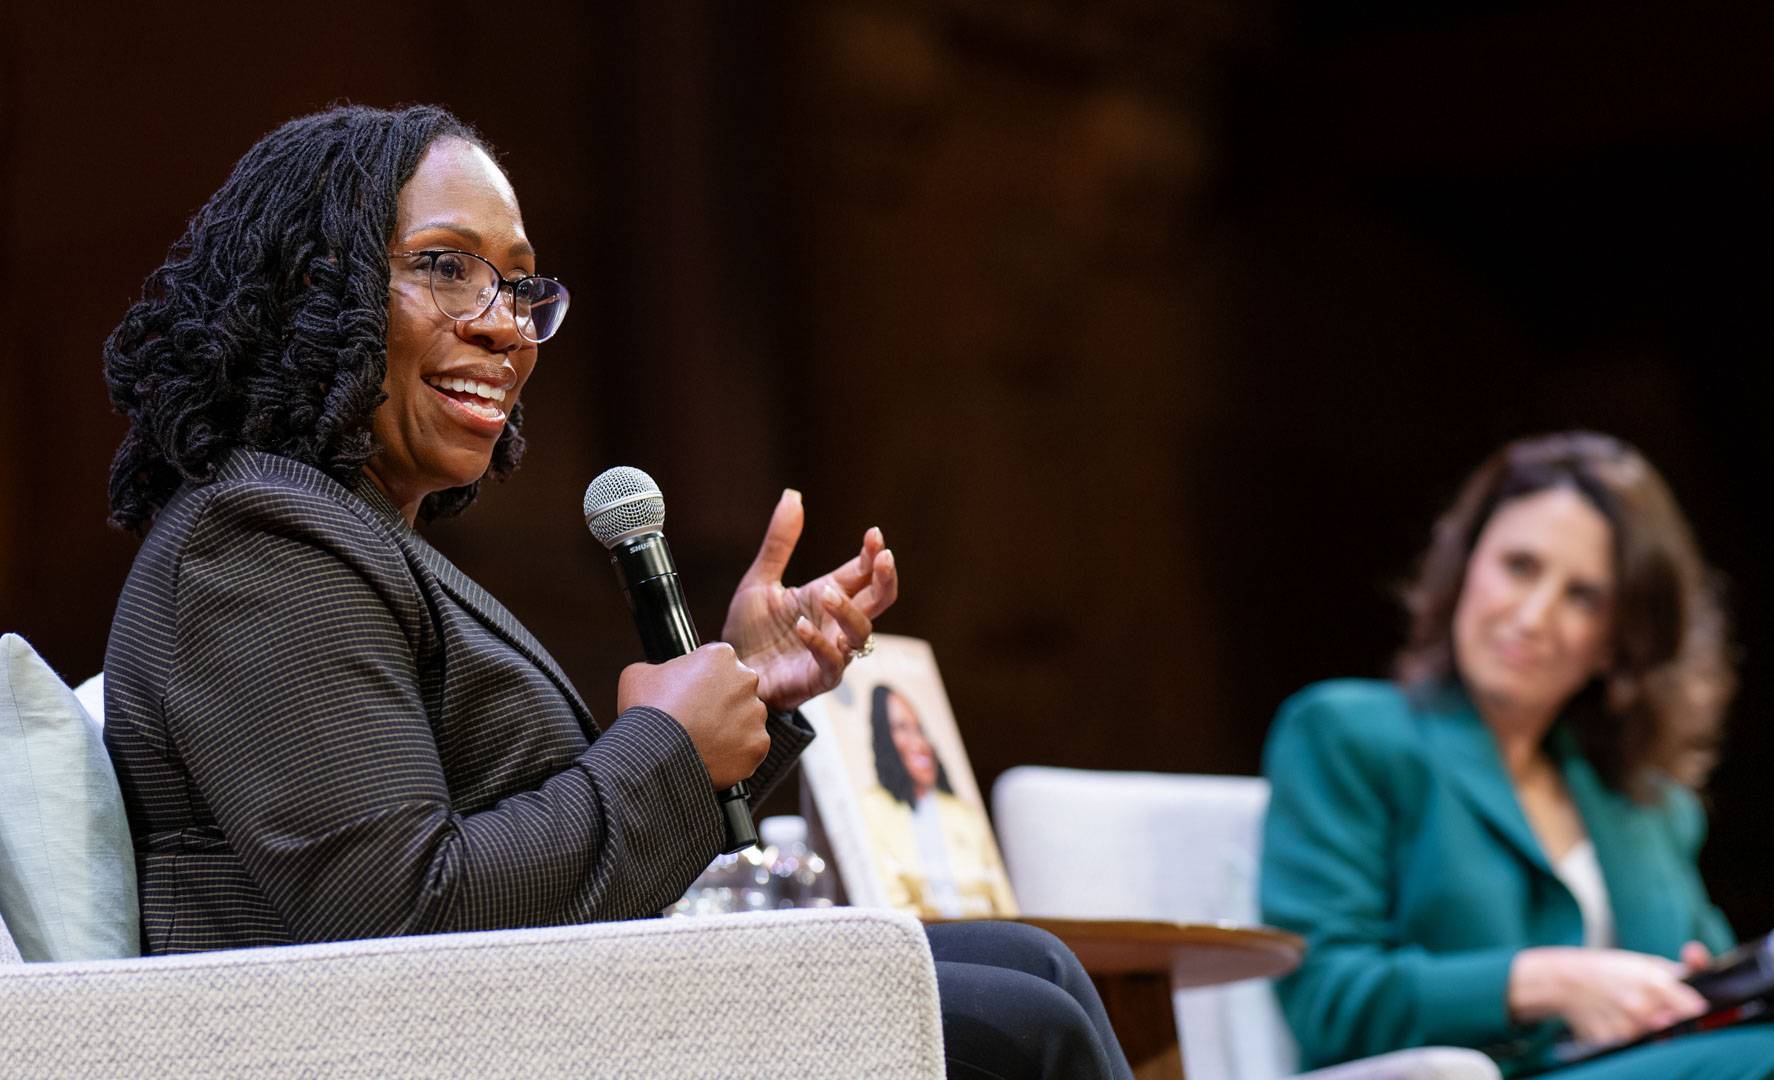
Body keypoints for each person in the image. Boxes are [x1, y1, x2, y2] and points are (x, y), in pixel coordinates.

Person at [101, 104, 1130, 1080]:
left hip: (515, 1018)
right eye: (447, 269)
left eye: (518, 288)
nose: (505, 329)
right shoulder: (257, 543)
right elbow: (398, 916)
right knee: (1022, 1029)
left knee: (1030, 966)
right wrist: (671, 751)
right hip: (401, 1050)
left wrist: (744, 696)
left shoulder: (342, 534)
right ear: (312, 284)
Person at [1260, 432, 1774, 1078]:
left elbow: (1711, 988)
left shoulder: (1645, 803)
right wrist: (1547, 983)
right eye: (1519, 567)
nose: (1533, 616)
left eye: (1583, 596)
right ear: (1466, 568)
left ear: (1618, 640)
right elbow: (1326, 995)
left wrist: (1706, 986)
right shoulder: (1348, 733)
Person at [861, 685, 1018, 917]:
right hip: (914, 943)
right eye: (901, 728)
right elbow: (889, 904)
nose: (918, 743)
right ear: (884, 737)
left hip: (982, 942)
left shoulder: (965, 814)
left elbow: (1006, 909)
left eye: (919, 729)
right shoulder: (870, 808)